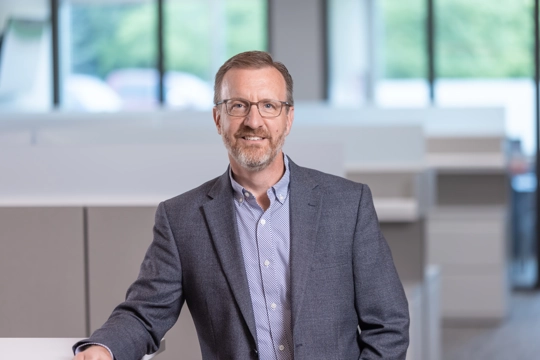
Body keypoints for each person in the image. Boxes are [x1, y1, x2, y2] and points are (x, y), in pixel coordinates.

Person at [73, 51, 409, 360]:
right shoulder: (182, 219)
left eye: (268, 106)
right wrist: (103, 348)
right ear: (218, 118)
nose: (253, 120)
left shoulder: (347, 205)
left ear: (288, 118)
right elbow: (144, 314)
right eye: (237, 106)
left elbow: (388, 325)